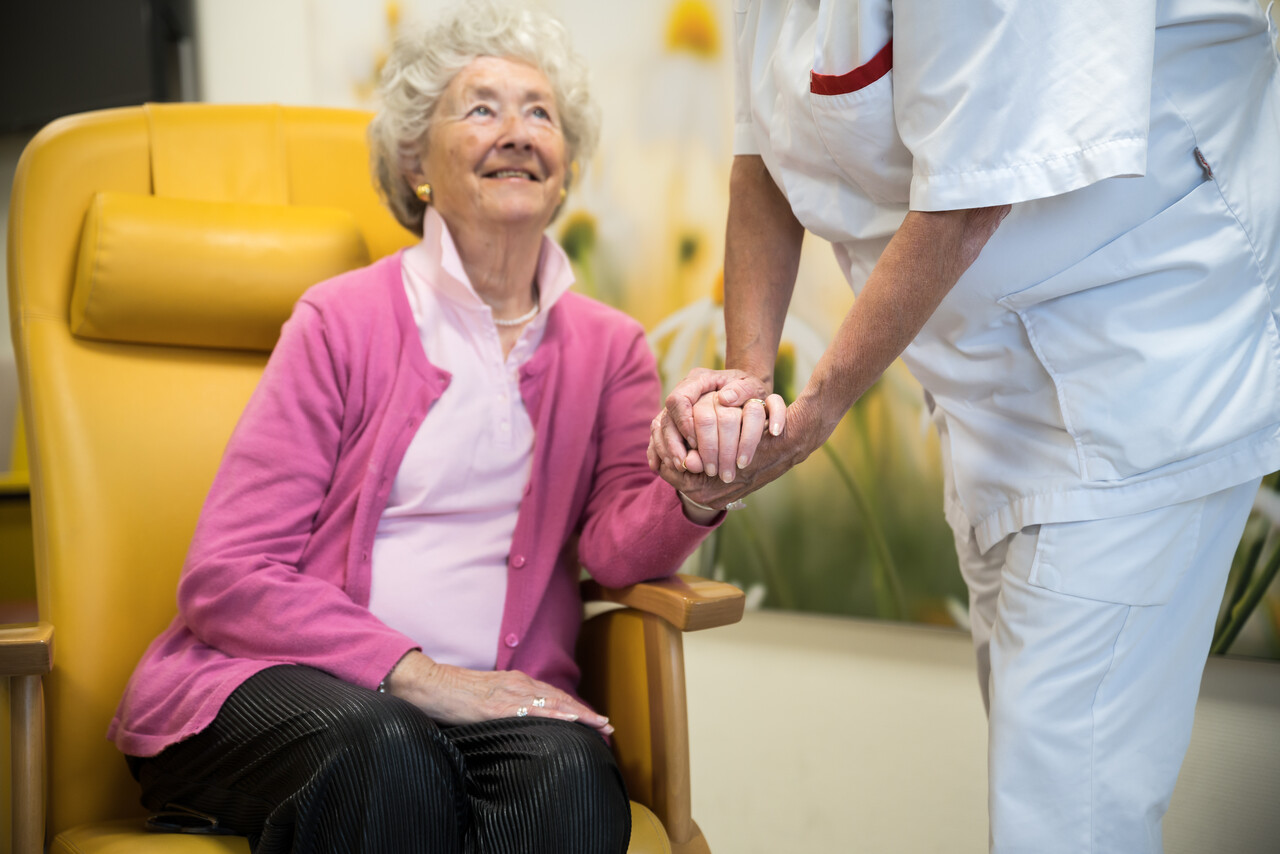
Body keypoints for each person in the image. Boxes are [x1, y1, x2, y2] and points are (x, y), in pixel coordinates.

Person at [650, 1, 1280, 851]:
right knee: (1039, 782)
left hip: (1135, 373)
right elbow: (760, 163)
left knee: (1062, 819)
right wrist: (747, 384)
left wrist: (813, 414)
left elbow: (969, 201)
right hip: (985, 387)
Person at [109, 4, 720, 852]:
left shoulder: (610, 347)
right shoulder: (340, 319)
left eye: (540, 113)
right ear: (414, 161)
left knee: (575, 783)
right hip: (294, 687)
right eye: (481, 108)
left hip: (495, 702)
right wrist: (420, 676)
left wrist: (694, 492)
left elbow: (618, 551)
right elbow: (227, 575)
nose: (518, 132)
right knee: (391, 754)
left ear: (564, 168)